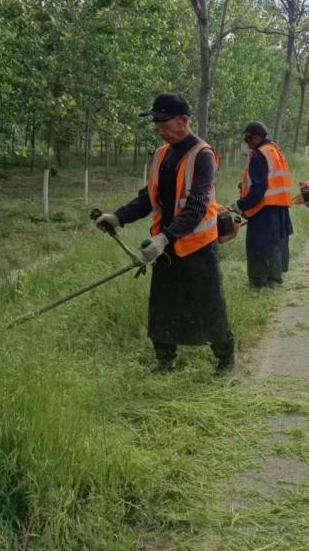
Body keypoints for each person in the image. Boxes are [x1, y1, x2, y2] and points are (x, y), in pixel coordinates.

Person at [94, 93, 235, 373]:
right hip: (166, 245)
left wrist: (164, 238)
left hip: (196, 245)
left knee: (207, 305)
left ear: (183, 121)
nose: (158, 129)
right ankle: (165, 361)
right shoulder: (161, 155)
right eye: (156, 123)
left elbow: (197, 206)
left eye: (162, 122)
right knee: (163, 306)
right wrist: (118, 217)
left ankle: (225, 359)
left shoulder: (202, 155)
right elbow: (149, 197)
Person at [231, 121, 293, 288]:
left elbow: (259, 189)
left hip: (263, 209)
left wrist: (241, 205)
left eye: (248, 139)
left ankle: (258, 282)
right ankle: (274, 279)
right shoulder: (275, 150)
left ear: (256, 138)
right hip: (279, 207)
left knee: (258, 246)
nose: (247, 143)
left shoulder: (259, 155)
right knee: (275, 244)